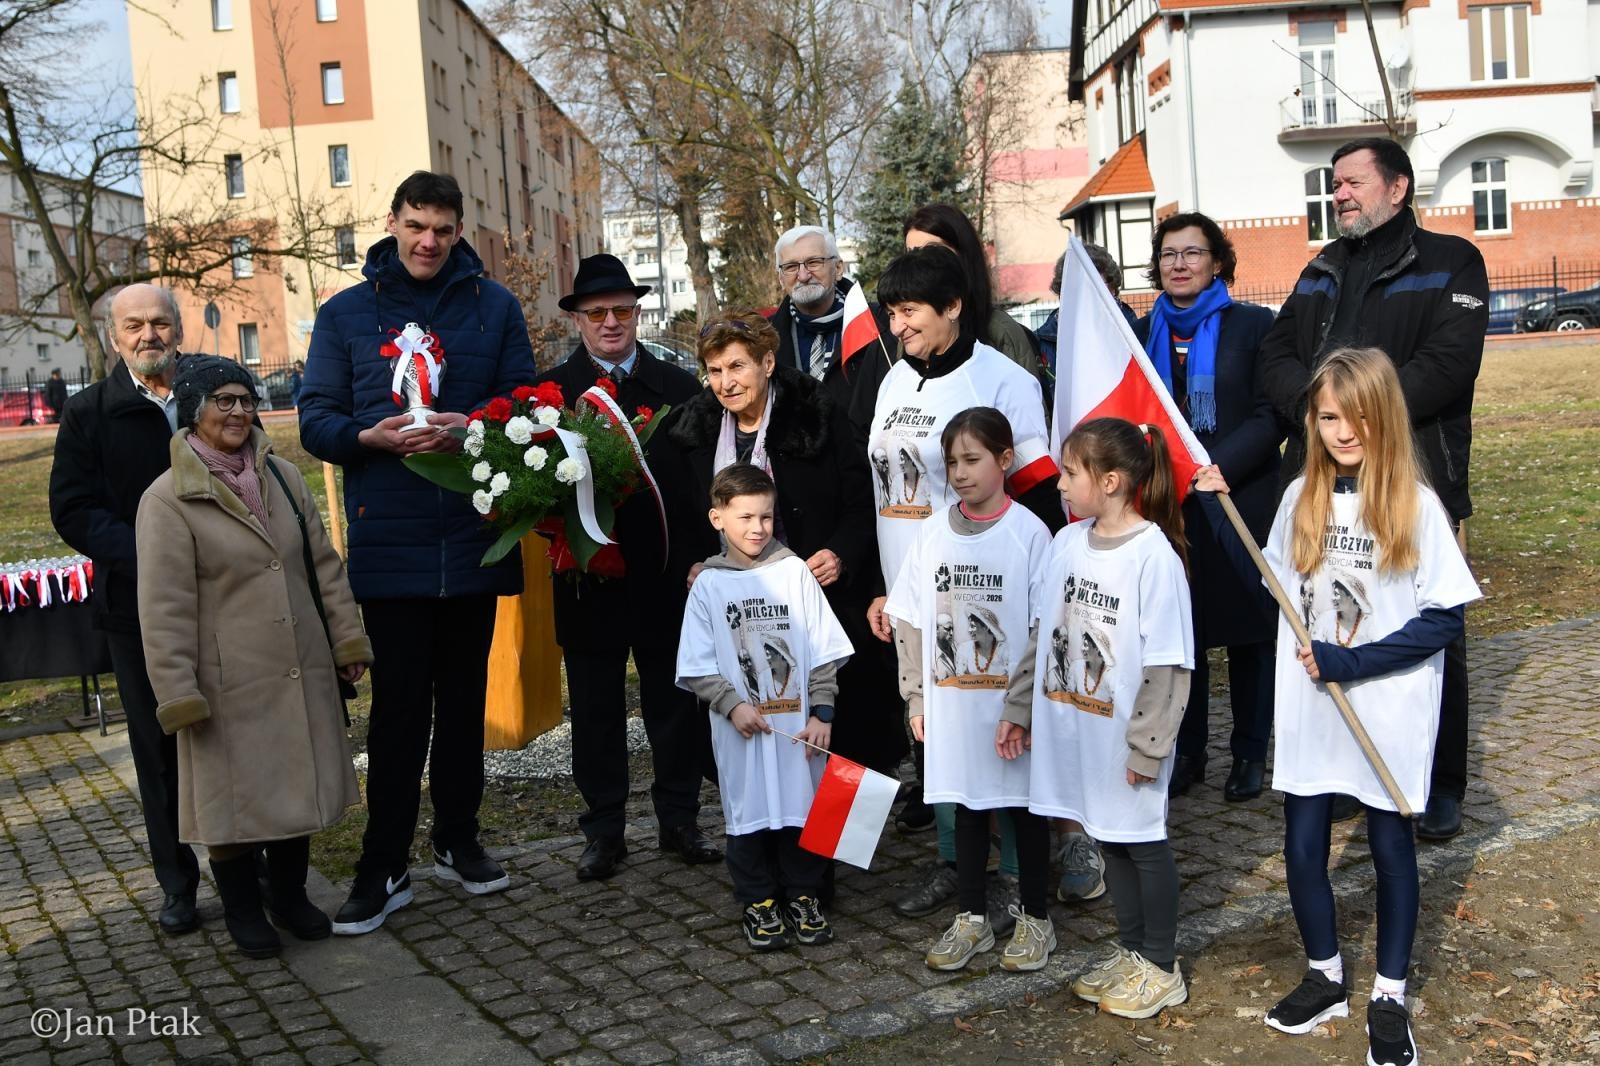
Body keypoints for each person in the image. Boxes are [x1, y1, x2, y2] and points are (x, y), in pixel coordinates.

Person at [1195, 347, 1480, 1066]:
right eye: (1327, 417)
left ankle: (1389, 992)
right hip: (1312, 710)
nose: (1341, 430)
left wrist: (1354, 661)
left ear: (1382, 414)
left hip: (1384, 707)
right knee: (1300, 845)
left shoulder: (1415, 502)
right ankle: (1325, 972)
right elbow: (1276, 592)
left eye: (1355, 416)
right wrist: (1219, 515)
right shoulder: (1300, 499)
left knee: (1389, 847)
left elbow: (1445, 617)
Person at [299, 171, 531, 933]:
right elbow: (316, 420)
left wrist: (477, 427)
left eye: (442, 228)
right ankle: (382, 864)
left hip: (473, 536)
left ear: (460, 231)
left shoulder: (493, 308)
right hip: (389, 541)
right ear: (391, 223)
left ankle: (457, 839)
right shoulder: (345, 315)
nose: (428, 241)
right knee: (400, 713)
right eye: (415, 225)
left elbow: (527, 407)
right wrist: (366, 436)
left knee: (464, 705)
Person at [1257, 138, 1488, 841]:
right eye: (1335, 186)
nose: (1340, 196)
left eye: (1353, 182)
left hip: (1416, 478)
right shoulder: (1321, 269)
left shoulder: (1452, 263)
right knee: (1330, 617)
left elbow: (1448, 366)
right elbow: (1275, 353)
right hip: (1325, 483)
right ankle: (1348, 766)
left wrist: (1359, 412)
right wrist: (1321, 411)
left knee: (1426, 629)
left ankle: (1440, 782)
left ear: (1398, 187)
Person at [134, 357, 371, 958]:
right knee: (234, 802)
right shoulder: (167, 499)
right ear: (193, 410)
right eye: (222, 401)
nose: (238, 411)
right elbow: (162, 609)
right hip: (225, 681)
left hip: (299, 665)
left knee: (295, 788)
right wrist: (176, 690)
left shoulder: (285, 478)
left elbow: (322, 567)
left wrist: (346, 639)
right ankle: (243, 907)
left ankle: (289, 896)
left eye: (245, 399)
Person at [866, 245, 1061, 928]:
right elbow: (881, 492)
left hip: (989, 593)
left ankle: (1016, 876)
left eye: (910, 312)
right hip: (913, 593)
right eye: (891, 313)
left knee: (1000, 738)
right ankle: (957, 866)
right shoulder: (893, 381)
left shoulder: (1004, 379)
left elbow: (1037, 493)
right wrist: (882, 585)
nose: (899, 327)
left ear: (953, 305)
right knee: (937, 736)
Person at [535, 252, 720, 881]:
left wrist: (702, 561)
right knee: (594, 711)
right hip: (587, 580)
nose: (610, 322)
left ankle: (678, 818)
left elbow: (701, 487)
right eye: (596, 313)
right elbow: (533, 494)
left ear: (636, 313)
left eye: (621, 310)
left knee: (675, 704)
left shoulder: (679, 389)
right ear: (579, 320)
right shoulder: (551, 397)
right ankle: (604, 830)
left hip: (667, 576)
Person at [663, 311, 905, 777]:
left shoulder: (814, 411)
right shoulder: (694, 430)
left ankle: (843, 843)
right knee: (767, 734)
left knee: (848, 733)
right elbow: (687, 516)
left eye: (737, 367)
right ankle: (780, 836)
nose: (725, 382)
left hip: (825, 597)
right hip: (742, 617)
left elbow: (862, 501)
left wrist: (839, 552)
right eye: (715, 371)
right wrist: (695, 563)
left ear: (767, 362)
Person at [1025, 417, 1195, 1019]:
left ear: (1114, 480)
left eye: (1071, 473)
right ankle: (1132, 950)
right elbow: (1039, 632)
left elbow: (1171, 665)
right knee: (1110, 841)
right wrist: (1023, 708)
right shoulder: (1066, 543)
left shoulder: (1154, 558)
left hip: (1127, 739)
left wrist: (1148, 747)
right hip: (1078, 732)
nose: (1061, 484)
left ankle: (1162, 964)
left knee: (1143, 843)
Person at [49, 283, 201, 936]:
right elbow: (73, 508)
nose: (149, 336)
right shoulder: (89, 413)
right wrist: (152, 551)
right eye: (134, 325)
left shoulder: (209, 397)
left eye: (160, 323)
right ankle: (179, 884)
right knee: (161, 749)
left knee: (231, 738)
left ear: (178, 329)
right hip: (135, 607)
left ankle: (249, 868)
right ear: (115, 337)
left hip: (226, 601)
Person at [884, 408, 1054, 972]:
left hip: (1010, 710)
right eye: (952, 461)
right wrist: (917, 697)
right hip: (952, 707)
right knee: (967, 807)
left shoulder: (1029, 533)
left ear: (1005, 460)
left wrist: (1021, 706)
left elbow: (1042, 629)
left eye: (972, 460)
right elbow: (907, 619)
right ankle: (973, 917)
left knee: (1021, 810)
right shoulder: (932, 533)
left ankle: (1035, 917)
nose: (959, 473)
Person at [1134, 213, 1281, 802]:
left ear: (1217, 261)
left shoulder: (1253, 325)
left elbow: (1274, 411)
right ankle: (1187, 750)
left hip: (1238, 498)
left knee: (1249, 633)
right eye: (1169, 255)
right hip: (1170, 510)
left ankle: (1248, 751)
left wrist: (1226, 464)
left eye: (1192, 253)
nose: (1179, 264)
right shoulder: (1143, 334)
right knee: (1180, 638)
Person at [676, 464, 853, 951]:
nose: (758, 528)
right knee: (748, 813)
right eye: (746, 517)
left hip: (798, 728)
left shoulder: (794, 573)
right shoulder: (709, 585)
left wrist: (822, 712)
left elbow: (821, 651)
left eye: (767, 517)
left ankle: (804, 895)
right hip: (743, 730)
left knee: (803, 809)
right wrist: (731, 705)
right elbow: (696, 664)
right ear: (717, 518)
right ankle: (757, 900)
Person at [765, 224, 894, 435]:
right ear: (780, 278)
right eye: (790, 267)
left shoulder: (880, 322)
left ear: (838, 269)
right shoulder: (764, 337)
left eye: (814, 262)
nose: (803, 275)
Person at [902, 204, 1041, 377]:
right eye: (911, 253)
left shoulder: (1000, 332)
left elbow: (1025, 400)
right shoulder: (907, 330)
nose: (918, 262)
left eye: (931, 250)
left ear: (963, 253)